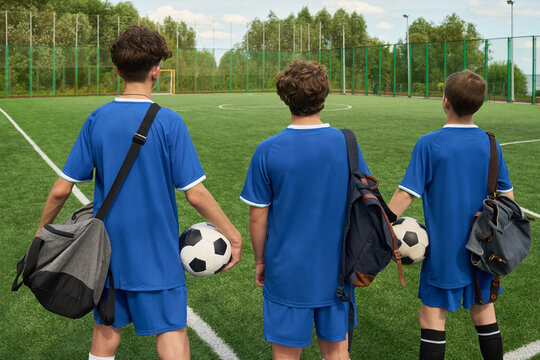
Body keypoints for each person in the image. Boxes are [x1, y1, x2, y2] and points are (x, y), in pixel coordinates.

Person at [34, 26, 242, 360]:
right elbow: (195, 193)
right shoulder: (169, 122)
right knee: (172, 334)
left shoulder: (97, 119)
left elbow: (61, 190)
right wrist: (232, 235)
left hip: (106, 255)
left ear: (116, 70)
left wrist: (41, 233)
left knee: (105, 333)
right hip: (157, 256)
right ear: (157, 70)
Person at [240, 60, 369, 360]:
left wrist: (260, 260)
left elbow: (258, 215)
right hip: (337, 270)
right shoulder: (346, 144)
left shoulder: (268, 150)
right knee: (337, 353)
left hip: (286, 271)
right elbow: (364, 198)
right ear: (325, 96)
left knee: (285, 355)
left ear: (285, 97)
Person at [388, 70, 513, 360]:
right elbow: (508, 199)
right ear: (479, 104)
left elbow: (406, 194)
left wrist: (382, 221)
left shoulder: (430, 143)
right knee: (483, 312)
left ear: (445, 102)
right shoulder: (491, 143)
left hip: (445, 252)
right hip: (482, 250)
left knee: (432, 318)